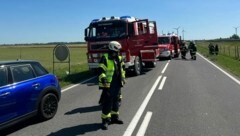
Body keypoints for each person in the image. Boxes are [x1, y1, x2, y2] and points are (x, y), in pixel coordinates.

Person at [98, 41, 126, 130]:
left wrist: (123, 79)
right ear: (113, 48)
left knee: (116, 102)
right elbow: (100, 70)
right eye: (118, 49)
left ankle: (115, 118)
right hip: (108, 85)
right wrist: (103, 78)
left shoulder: (119, 58)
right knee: (107, 103)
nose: (119, 51)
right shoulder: (105, 58)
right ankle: (105, 120)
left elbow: (122, 69)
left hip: (117, 84)